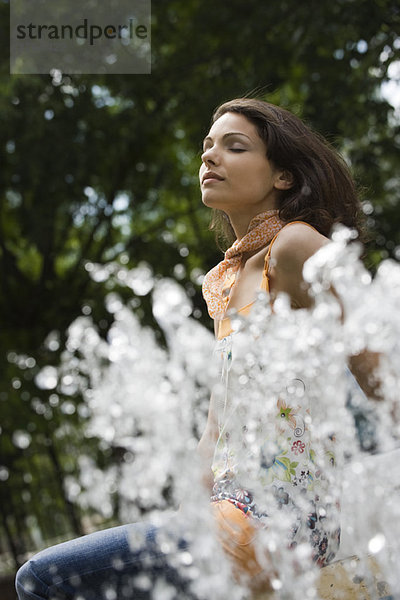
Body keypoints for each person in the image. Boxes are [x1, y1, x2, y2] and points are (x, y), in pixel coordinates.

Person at [15, 98, 380, 599]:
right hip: (232, 512)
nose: (209, 157)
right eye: (207, 147)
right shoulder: (226, 285)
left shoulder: (295, 245)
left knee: (41, 579)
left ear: (284, 177)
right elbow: (216, 435)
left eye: (235, 147)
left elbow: (381, 365)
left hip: (284, 519)